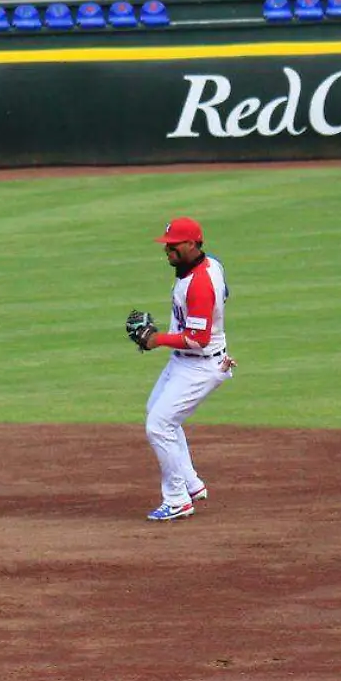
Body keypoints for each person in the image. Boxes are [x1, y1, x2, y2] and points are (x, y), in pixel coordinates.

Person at [126, 216, 235, 522]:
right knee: (157, 413)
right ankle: (190, 483)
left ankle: (176, 499)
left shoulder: (200, 283)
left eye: (173, 247)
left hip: (200, 365)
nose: (168, 251)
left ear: (192, 244)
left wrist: (155, 339)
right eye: (166, 245)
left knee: (159, 425)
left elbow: (198, 339)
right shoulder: (207, 264)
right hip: (186, 361)